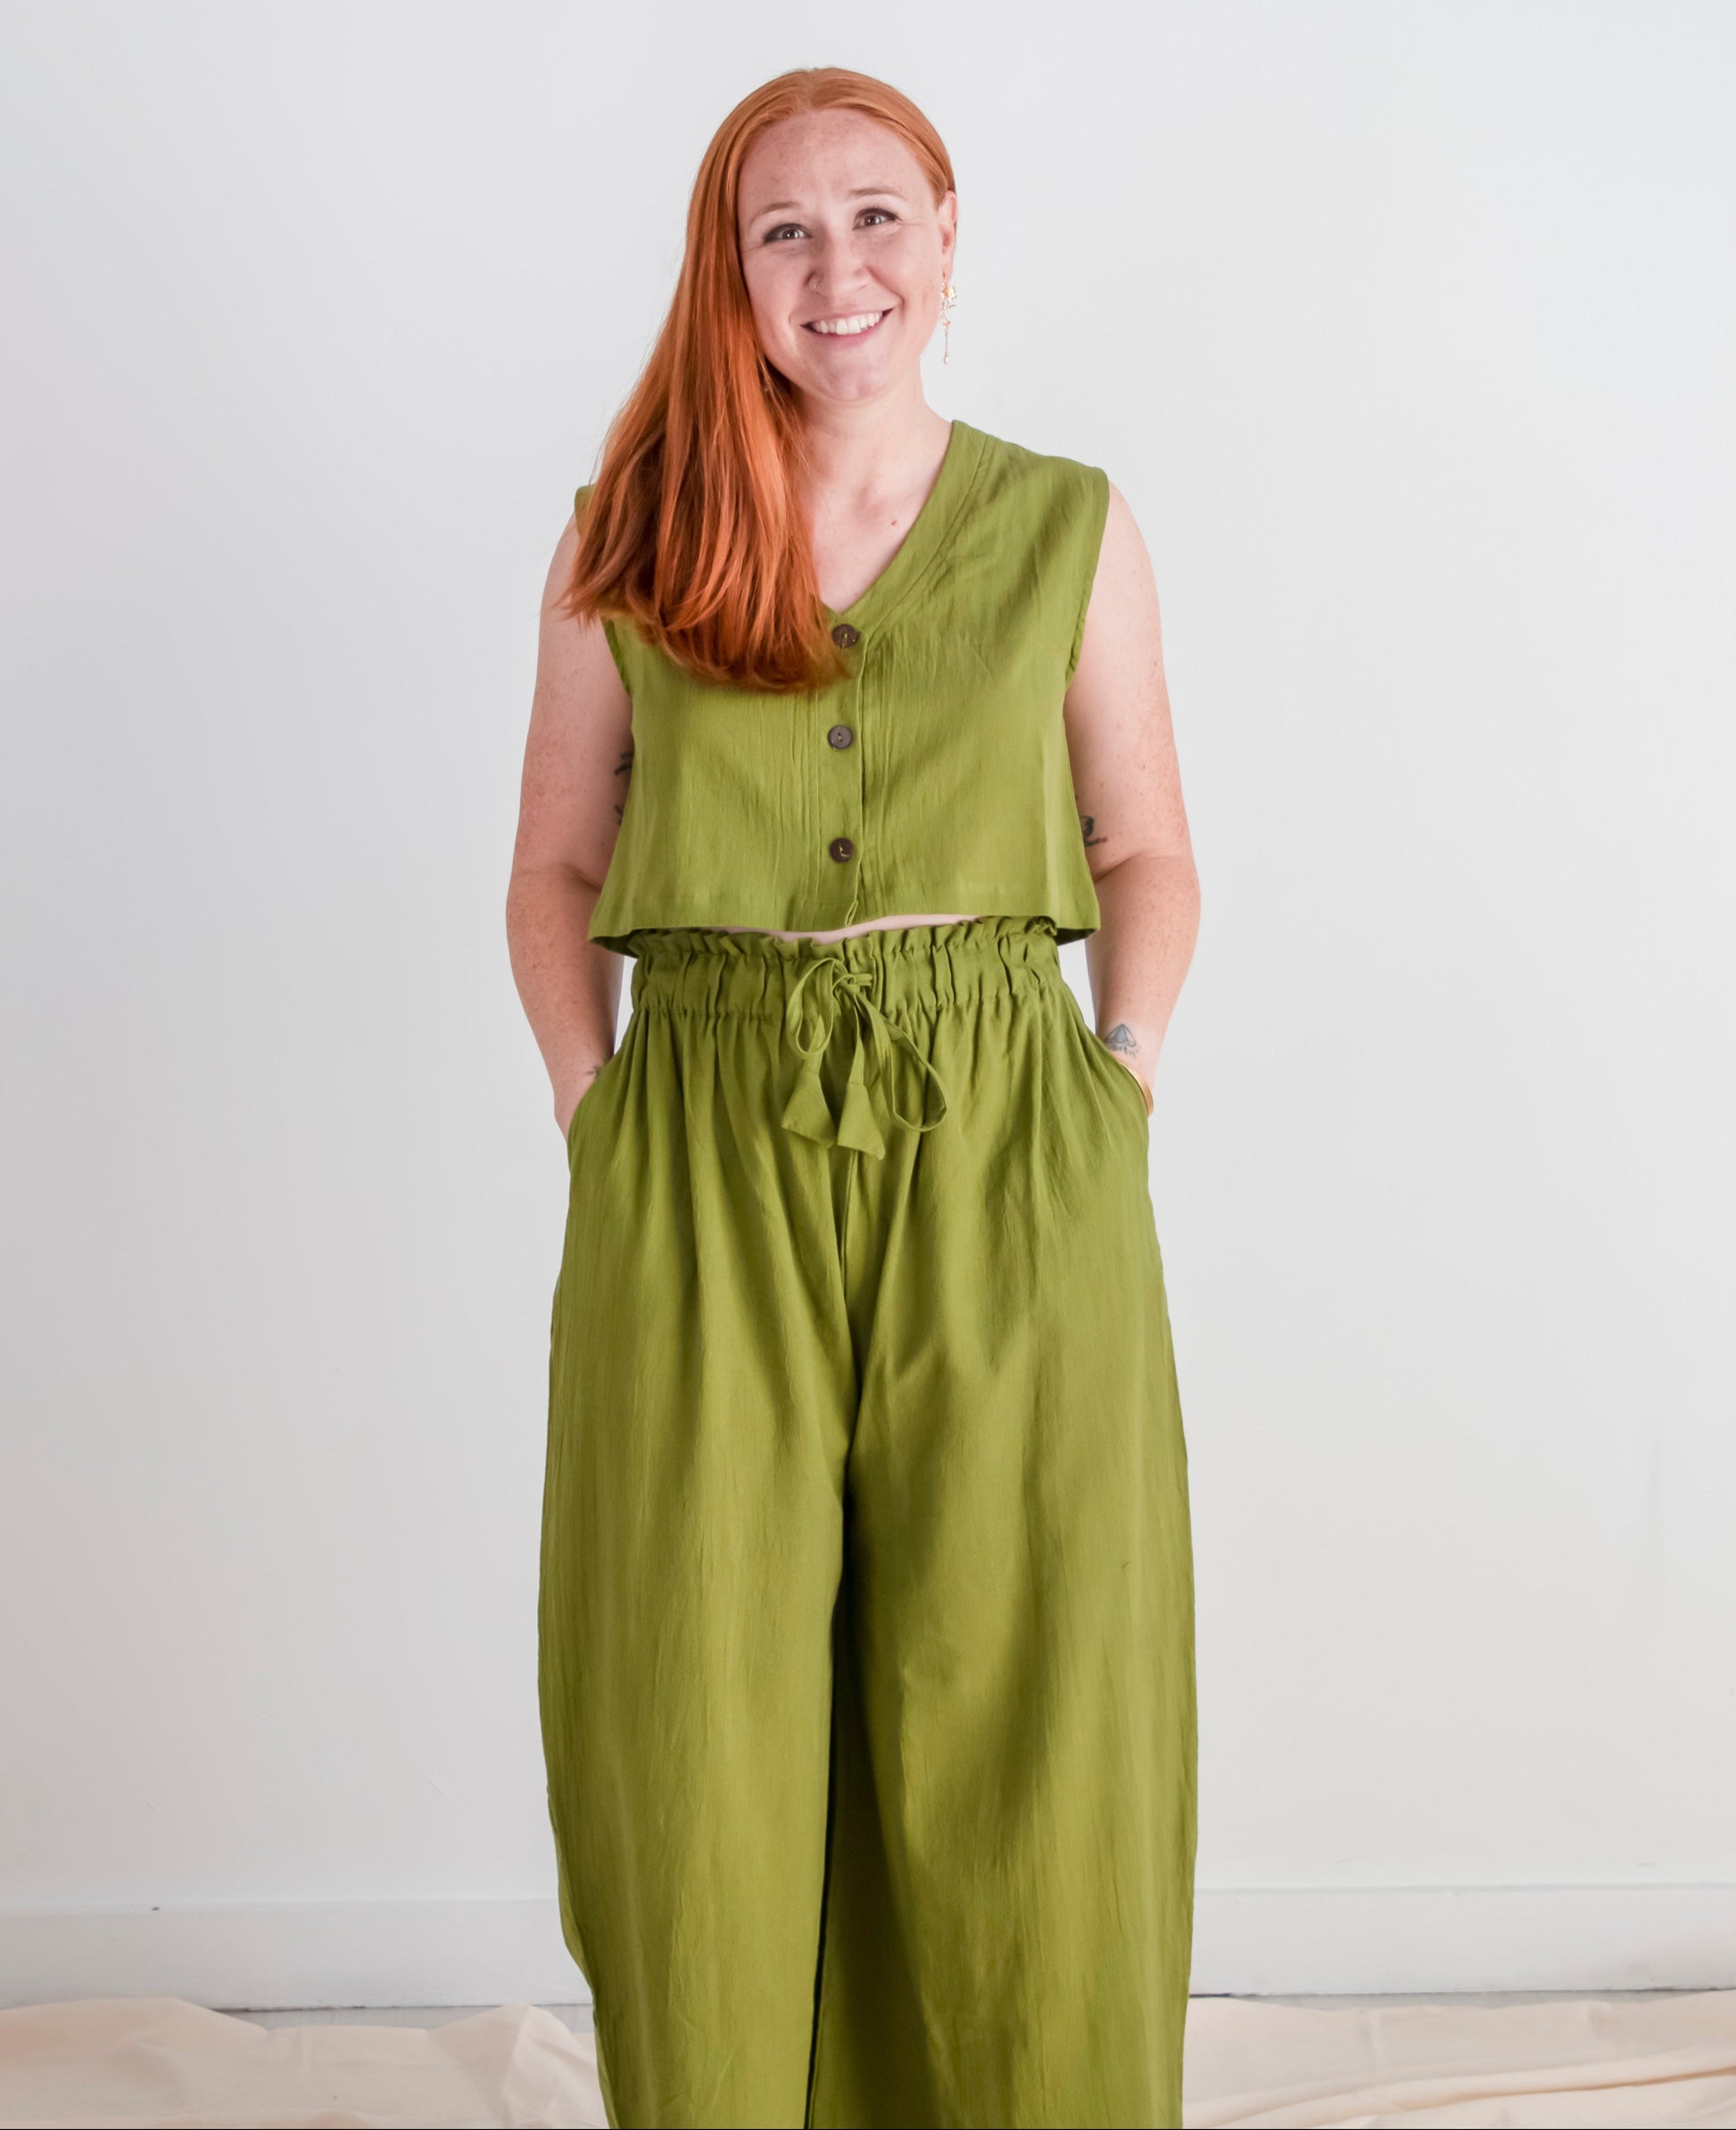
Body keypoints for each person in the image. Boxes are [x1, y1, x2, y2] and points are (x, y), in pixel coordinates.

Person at [506, 63, 1199, 2130]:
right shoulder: (624, 537)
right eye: (785, 228)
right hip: (698, 1138)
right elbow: (552, 866)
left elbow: (1144, 845)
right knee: (692, 1692)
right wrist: (601, 1116)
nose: (838, 266)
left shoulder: (1065, 521)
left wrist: (1115, 1092)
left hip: (1011, 1132)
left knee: (1027, 1680)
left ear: (950, 234)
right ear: (733, 269)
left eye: (877, 215)